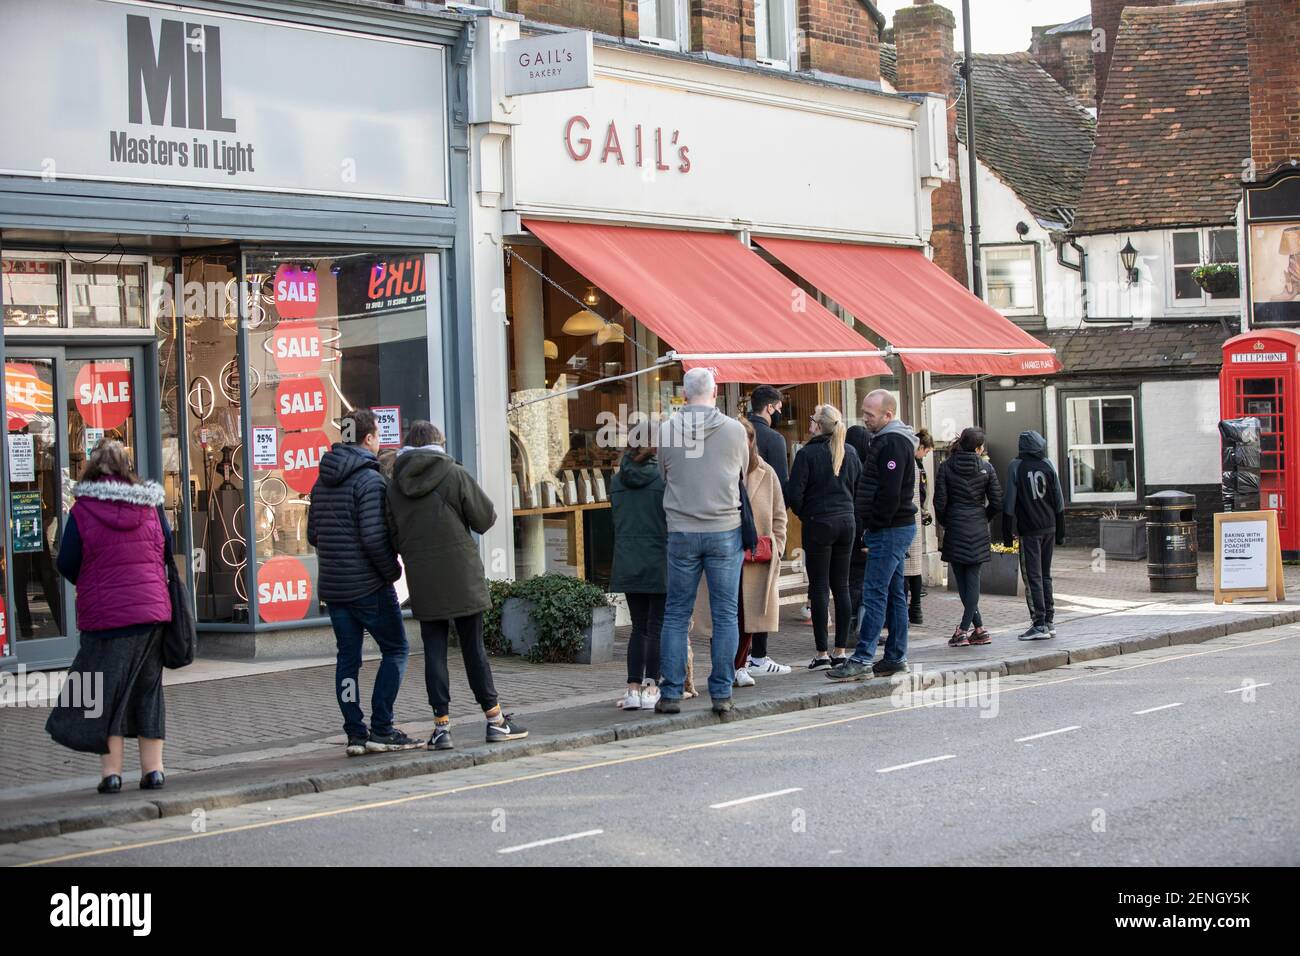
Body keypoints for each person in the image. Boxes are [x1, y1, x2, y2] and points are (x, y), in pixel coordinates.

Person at [385, 421, 527, 749]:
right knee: (473, 649)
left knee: (434, 651)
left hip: (423, 575)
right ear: (438, 444)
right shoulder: (453, 473)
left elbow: (393, 535)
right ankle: (495, 720)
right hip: (461, 573)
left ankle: (441, 727)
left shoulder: (394, 485)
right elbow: (485, 518)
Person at [45, 440, 173, 794]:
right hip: (150, 617)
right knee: (148, 692)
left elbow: (66, 561)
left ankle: (112, 775)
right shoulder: (150, 504)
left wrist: (91, 583)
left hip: (105, 619)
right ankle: (154, 772)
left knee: (105, 694)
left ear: (91, 468)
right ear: (127, 467)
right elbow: (167, 546)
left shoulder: (83, 510)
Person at [309, 408, 422, 756]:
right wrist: (392, 572)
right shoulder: (370, 480)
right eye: (376, 435)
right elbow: (374, 539)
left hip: (335, 587)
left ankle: (355, 732)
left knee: (348, 658)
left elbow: (314, 534)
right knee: (397, 650)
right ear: (368, 438)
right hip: (369, 586)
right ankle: (382, 727)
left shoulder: (321, 479)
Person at [655, 367, 749, 716]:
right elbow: (742, 472)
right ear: (715, 391)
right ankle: (721, 693)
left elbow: (663, 474)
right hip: (725, 528)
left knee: (677, 613)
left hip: (681, 529)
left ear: (683, 393)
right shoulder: (734, 430)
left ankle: (671, 694)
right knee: (726, 614)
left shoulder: (666, 430)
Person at [692, 417, 791, 685]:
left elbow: (779, 515)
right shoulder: (710, 470)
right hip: (720, 552)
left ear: (751, 442)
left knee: (748, 615)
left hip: (756, 557)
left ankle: (738, 666)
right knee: (722, 614)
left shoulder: (765, 472)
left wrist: (777, 546)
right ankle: (723, 668)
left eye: (742, 439)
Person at [829, 389, 917, 681]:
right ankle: (895, 656)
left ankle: (863, 658)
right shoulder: (891, 439)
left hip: (890, 529)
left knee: (874, 592)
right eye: (864, 412)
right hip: (895, 527)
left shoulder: (891, 442)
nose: (864, 419)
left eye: (870, 414)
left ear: (888, 415)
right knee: (893, 594)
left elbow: (890, 493)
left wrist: (874, 526)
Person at [787, 403, 861, 669]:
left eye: (811, 419)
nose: (808, 423)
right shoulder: (850, 452)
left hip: (819, 523)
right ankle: (840, 650)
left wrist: (807, 514)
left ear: (819, 425)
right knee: (841, 586)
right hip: (847, 523)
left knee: (818, 587)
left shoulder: (808, 455)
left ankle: (821, 654)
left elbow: (794, 494)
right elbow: (859, 490)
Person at [608, 425, 667, 710]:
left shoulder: (617, 481)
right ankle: (651, 689)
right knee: (656, 628)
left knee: (638, 628)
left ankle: (632, 690)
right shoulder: (663, 479)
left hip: (628, 560)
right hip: (658, 559)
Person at [934, 427, 1003, 647]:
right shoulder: (987, 468)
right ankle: (978, 630)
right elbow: (997, 502)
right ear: (979, 448)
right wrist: (983, 518)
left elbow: (939, 503)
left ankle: (963, 630)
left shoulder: (945, 468)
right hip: (978, 527)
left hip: (955, 527)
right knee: (971, 580)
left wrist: (948, 522)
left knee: (962, 581)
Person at [1002, 429, 1066, 640]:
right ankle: (1049, 620)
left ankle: (1038, 624)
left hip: (1029, 530)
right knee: (1046, 575)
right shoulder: (1047, 464)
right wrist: (1061, 531)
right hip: (1050, 527)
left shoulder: (1016, 466)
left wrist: (1006, 533)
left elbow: (1009, 502)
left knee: (1033, 576)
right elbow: (1058, 499)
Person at [904, 429, 935, 625]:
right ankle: (915, 609)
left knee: (907, 569)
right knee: (913, 568)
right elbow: (924, 493)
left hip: (906, 519)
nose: (925, 455)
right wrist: (924, 511)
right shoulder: (917, 466)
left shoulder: (910, 463)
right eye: (926, 452)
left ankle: (911, 609)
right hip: (914, 518)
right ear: (920, 447)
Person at [747, 384, 789, 493]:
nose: (780, 413)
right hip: (765, 504)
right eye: (779, 408)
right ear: (770, 408)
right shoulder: (775, 439)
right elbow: (780, 484)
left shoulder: (738, 431)